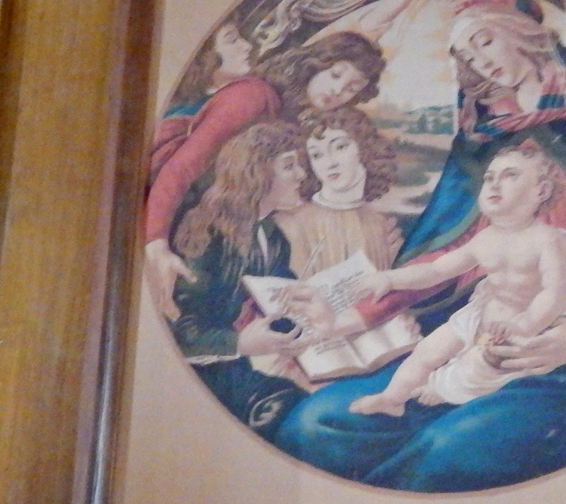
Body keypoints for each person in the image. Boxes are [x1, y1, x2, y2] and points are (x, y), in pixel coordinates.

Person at [271, 0, 566, 492]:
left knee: (447, 455)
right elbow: (444, 257)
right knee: (316, 424)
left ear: (522, 33)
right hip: (477, 334)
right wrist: (349, 318)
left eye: (486, 42)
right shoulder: (486, 137)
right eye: (469, 54)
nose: (481, 62)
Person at [143, 29, 387, 320]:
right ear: (315, 63)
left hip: (227, 224)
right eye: (335, 75)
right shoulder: (253, 97)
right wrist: (155, 242)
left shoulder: (299, 120)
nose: (338, 91)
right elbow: (182, 167)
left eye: (351, 88)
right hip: (179, 216)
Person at [349, 139, 566, 414]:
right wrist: (391, 279)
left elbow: (553, 294)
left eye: (510, 176)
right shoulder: (485, 238)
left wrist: (525, 325)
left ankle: (444, 389)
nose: (494, 185)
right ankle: (392, 399)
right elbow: (437, 270)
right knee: (428, 350)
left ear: (542, 191)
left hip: (521, 329)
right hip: (478, 318)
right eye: (489, 178)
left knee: (479, 366)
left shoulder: (548, 240)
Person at [166, 121, 314, 435]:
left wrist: (306, 319)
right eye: (290, 166)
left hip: (243, 367)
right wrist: (240, 343)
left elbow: (279, 297)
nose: (302, 175)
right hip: (200, 378)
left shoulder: (272, 237)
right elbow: (182, 332)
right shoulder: (207, 232)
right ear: (258, 173)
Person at [272, 107, 402, 278]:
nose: (330, 163)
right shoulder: (291, 223)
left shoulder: (381, 226)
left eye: (340, 147)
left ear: (365, 148)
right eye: (316, 155)